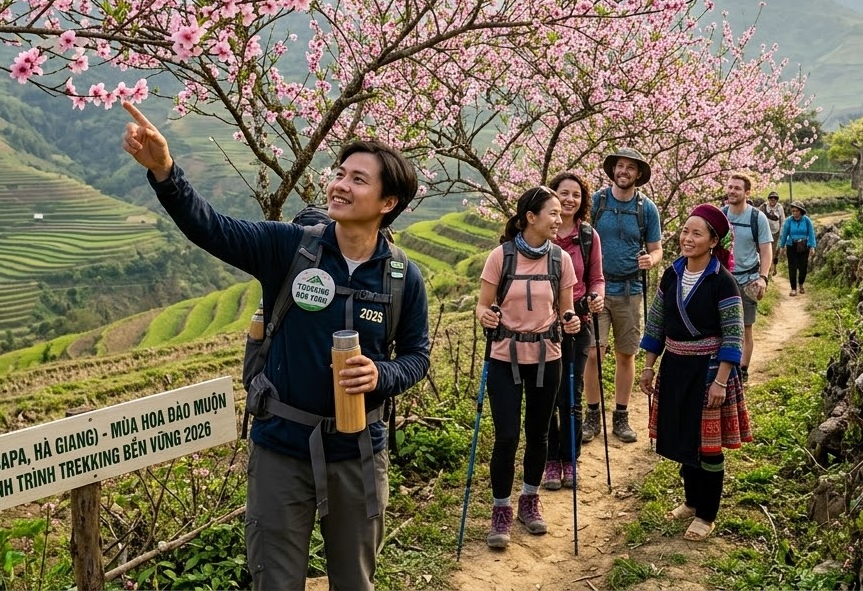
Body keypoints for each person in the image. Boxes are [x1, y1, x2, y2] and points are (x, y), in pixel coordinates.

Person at [121, 102, 430, 591]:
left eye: (358, 180)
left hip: (358, 453)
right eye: (340, 174)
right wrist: (165, 172)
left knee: (355, 581)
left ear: (387, 202)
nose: (340, 185)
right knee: (276, 582)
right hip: (282, 448)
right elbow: (212, 228)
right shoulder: (291, 248)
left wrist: (381, 374)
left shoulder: (402, 277)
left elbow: (417, 356)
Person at [637, 204, 752, 541]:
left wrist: (720, 381)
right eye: (685, 231)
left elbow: (733, 335)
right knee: (683, 436)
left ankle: (706, 514)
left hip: (709, 370)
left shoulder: (723, 282)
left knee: (708, 446)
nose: (687, 238)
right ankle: (690, 501)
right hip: (675, 366)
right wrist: (648, 366)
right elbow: (656, 322)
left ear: (713, 241)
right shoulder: (671, 274)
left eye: (696, 233)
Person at [476, 186, 581, 548]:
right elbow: (482, 304)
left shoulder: (560, 260)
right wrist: (486, 316)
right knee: (506, 436)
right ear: (530, 217)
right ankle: (501, 508)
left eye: (560, 213)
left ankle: (529, 499)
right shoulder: (500, 257)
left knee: (539, 434)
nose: (559, 219)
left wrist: (571, 321)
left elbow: (566, 308)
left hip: (547, 357)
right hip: (504, 357)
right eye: (553, 213)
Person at [585, 147, 663, 444]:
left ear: (638, 174)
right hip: (597, 289)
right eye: (620, 166)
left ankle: (621, 415)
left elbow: (656, 249)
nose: (624, 172)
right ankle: (592, 415)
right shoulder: (597, 202)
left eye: (630, 168)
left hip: (631, 291)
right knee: (593, 352)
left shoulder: (646, 209)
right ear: (613, 170)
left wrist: (651, 260)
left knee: (626, 354)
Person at [543, 171, 606, 490]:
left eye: (576, 195)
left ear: (583, 201)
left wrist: (597, 296)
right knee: (547, 395)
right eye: (563, 193)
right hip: (541, 326)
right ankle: (550, 460)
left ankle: (570, 459)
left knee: (571, 394)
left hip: (577, 322)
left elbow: (596, 278)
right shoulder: (542, 233)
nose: (569, 200)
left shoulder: (588, 236)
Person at [721, 174, 774, 346]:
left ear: (747, 193)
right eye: (730, 187)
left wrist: (763, 278)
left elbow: (766, 250)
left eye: (737, 188)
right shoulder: (721, 215)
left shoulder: (757, 218)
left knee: (745, 329)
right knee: (720, 327)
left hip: (748, 280)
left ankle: (743, 364)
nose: (732, 191)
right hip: (722, 279)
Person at [779, 202, 817, 295]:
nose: (794, 213)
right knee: (792, 267)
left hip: (804, 246)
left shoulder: (807, 220)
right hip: (791, 246)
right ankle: (793, 289)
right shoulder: (789, 221)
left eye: (796, 211)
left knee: (803, 267)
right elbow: (784, 234)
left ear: (801, 211)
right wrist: (782, 246)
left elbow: (811, 233)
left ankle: (801, 284)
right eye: (793, 211)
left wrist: (812, 246)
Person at [761, 190, 785, 262]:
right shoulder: (764, 206)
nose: (773, 200)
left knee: (773, 249)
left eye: (775, 198)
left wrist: (782, 232)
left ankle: (771, 264)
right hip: (765, 231)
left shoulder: (779, 207)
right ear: (769, 199)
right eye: (771, 198)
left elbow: (782, 220)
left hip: (775, 232)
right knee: (764, 249)